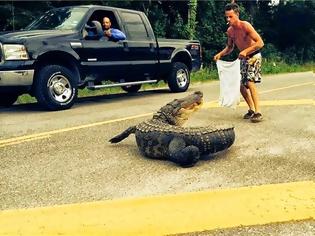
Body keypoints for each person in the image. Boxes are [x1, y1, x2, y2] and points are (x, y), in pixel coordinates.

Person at [214, 2, 264, 122]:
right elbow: (230, 47)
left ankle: (258, 112)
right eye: (226, 17)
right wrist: (220, 54)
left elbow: (260, 43)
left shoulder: (245, 26)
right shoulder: (230, 31)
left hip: (253, 56)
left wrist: (246, 51)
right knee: (240, 85)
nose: (228, 19)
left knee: (250, 82)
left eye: (230, 16)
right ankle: (251, 109)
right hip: (243, 58)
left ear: (237, 14)